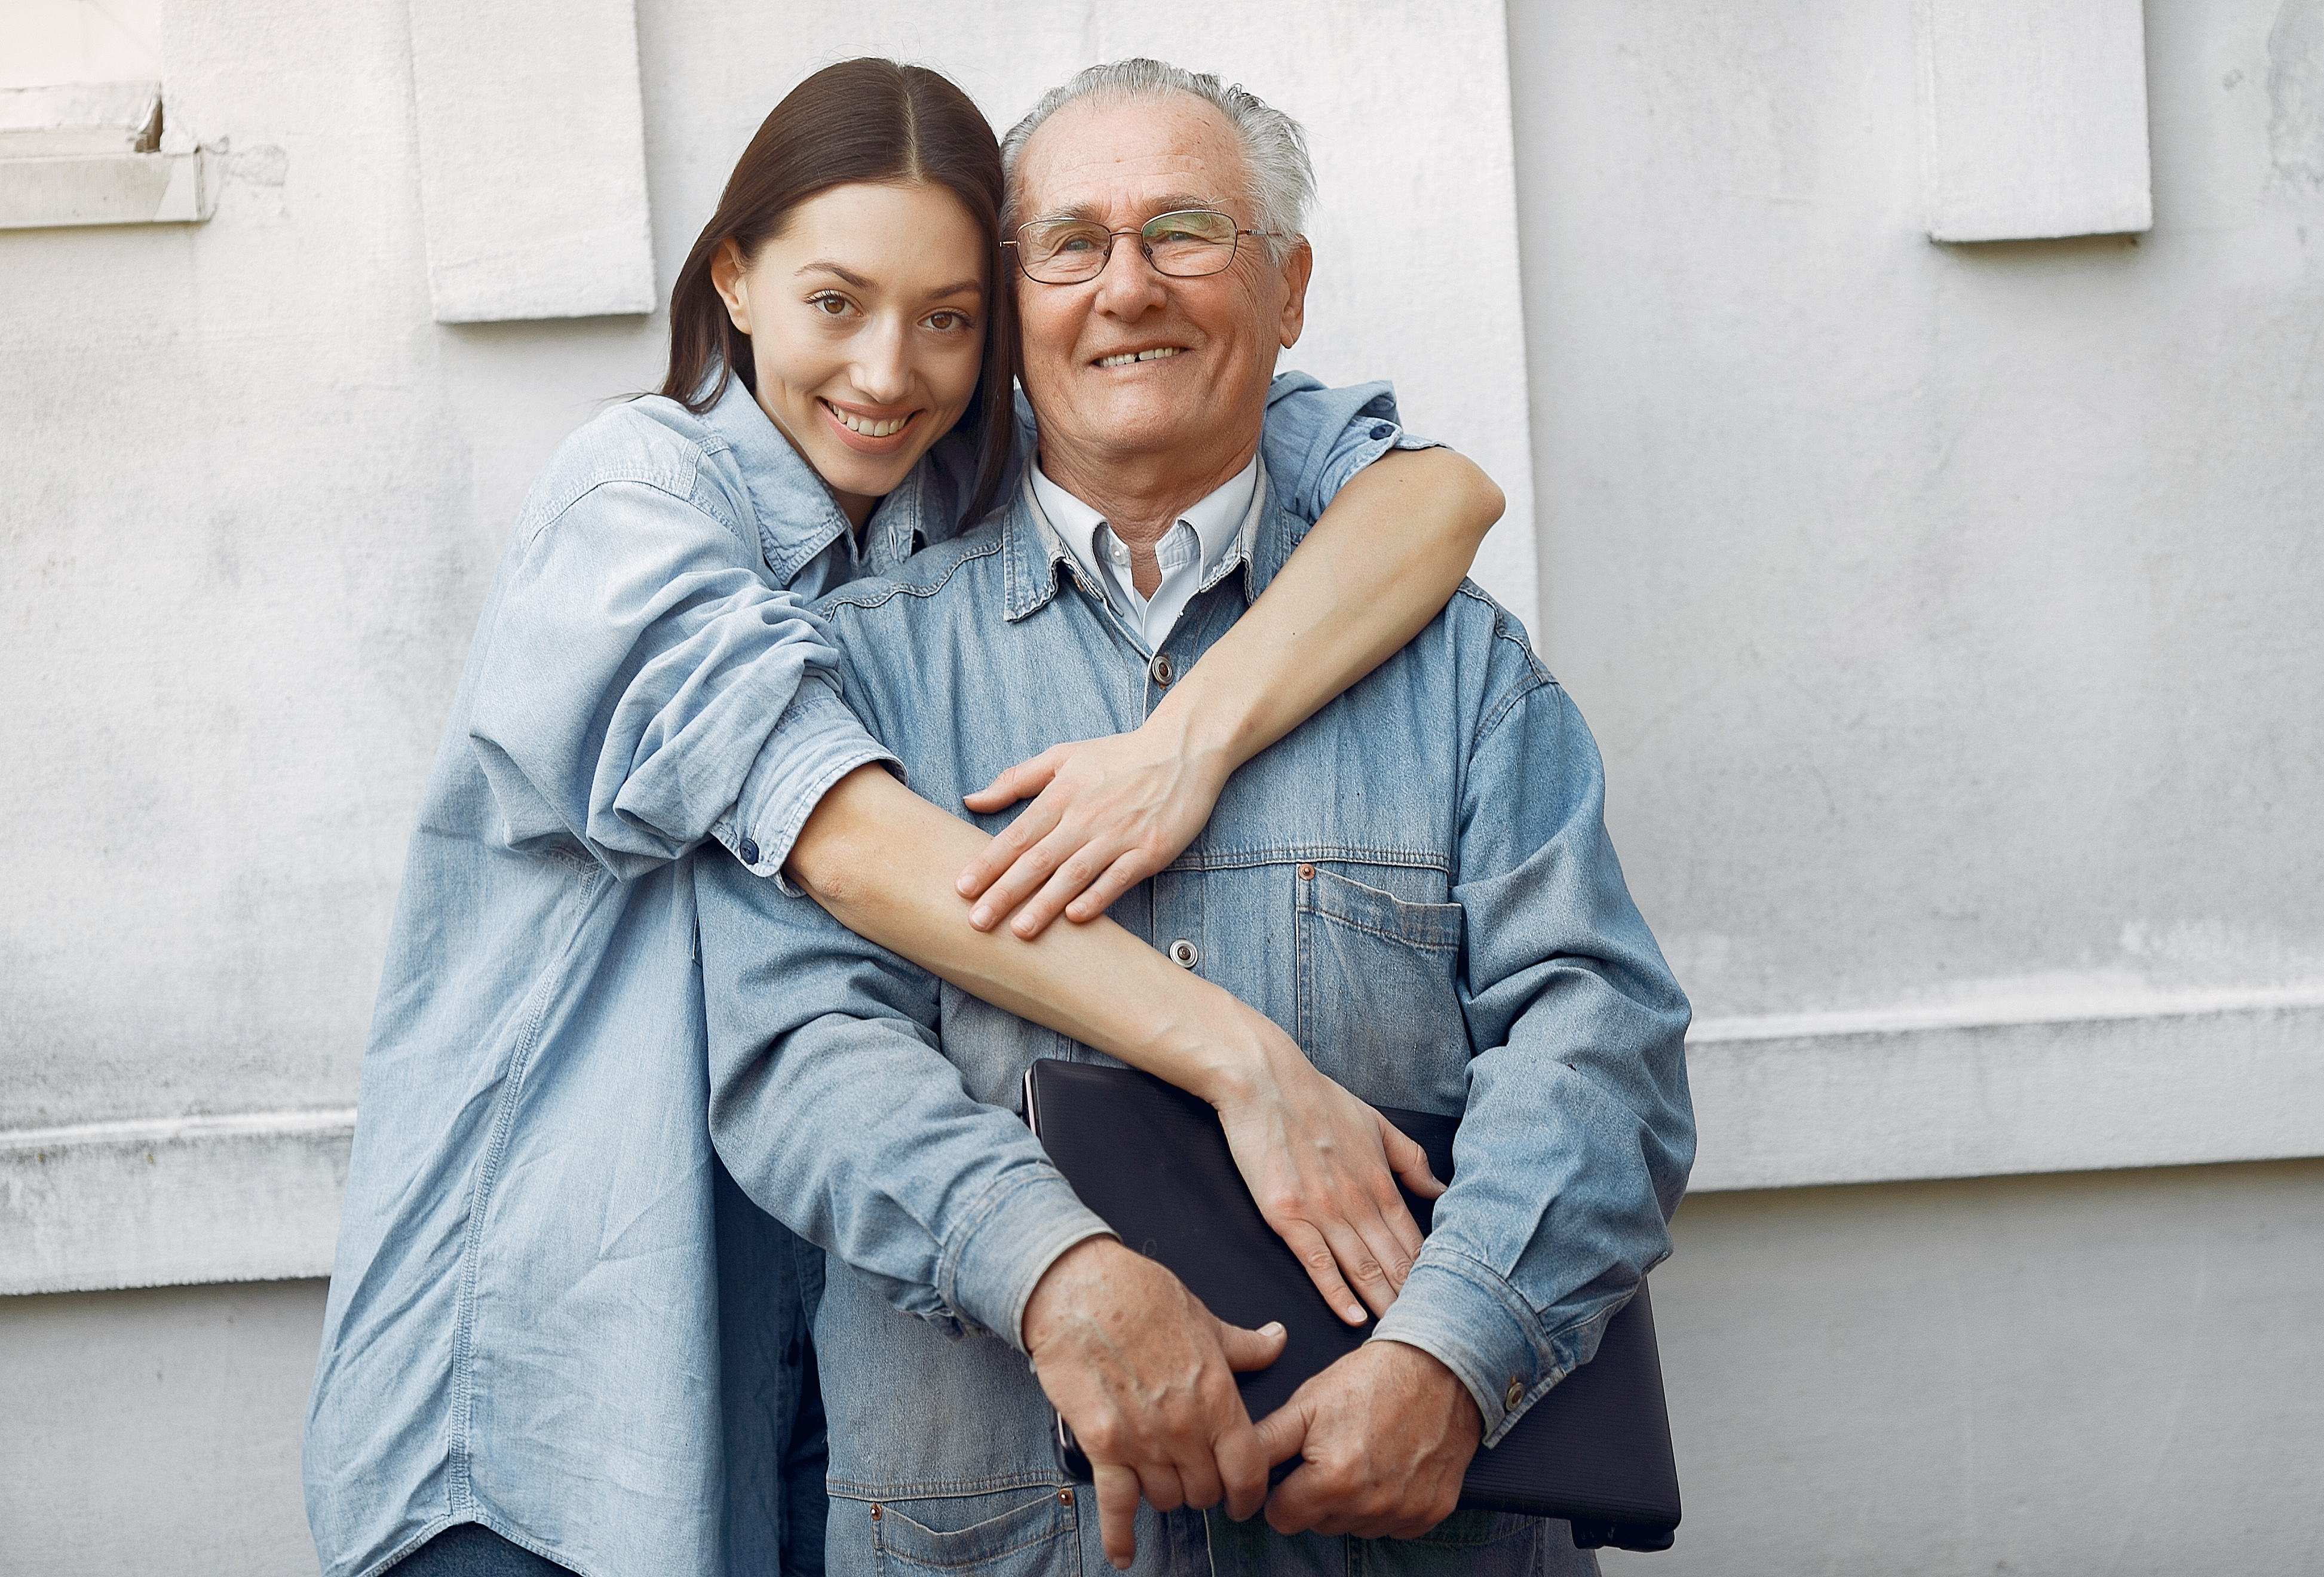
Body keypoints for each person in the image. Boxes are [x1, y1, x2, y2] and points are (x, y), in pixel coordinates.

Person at [303, 58, 1508, 1577]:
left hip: (812, 1396)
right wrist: (1249, 1066)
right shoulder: (631, 513)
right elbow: (859, 852)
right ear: (732, 277)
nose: (890, 369)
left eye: (949, 319)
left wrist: (1187, 744)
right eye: (835, 304)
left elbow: (1434, 499)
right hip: (556, 1405)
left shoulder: (936, 498)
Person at [694, 59, 1697, 1577]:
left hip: (1411, 1535)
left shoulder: (1456, 664)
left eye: (1183, 231)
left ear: (1287, 291)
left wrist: (1456, 1351)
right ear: (1011, 304)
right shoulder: (856, 657)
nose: (1127, 288)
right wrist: (1060, 1272)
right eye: (1072, 245)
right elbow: (796, 1057)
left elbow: (1601, 1040)